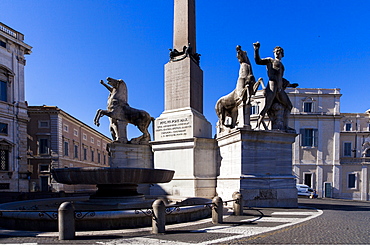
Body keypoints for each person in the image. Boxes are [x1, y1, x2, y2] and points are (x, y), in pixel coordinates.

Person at [253, 41, 298, 131]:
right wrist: (256, 50)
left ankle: (285, 126)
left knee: (289, 105)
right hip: (272, 85)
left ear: (282, 54)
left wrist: (291, 85)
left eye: (279, 52)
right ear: (274, 53)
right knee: (267, 106)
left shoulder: (281, 65)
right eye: (276, 51)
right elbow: (258, 61)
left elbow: (281, 78)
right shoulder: (270, 61)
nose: (277, 53)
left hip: (279, 87)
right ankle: (258, 125)